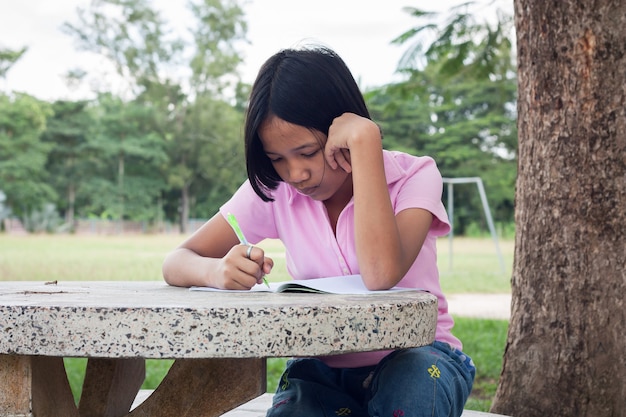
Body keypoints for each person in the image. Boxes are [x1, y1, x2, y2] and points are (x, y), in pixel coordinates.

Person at [162, 45, 475, 417]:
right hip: (323, 368)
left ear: (345, 131)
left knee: (411, 390)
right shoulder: (275, 192)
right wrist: (217, 271)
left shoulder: (414, 177)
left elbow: (380, 273)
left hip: (420, 355)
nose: (296, 174)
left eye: (308, 152)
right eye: (278, 159)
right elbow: (177, 261)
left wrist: (365, 145)